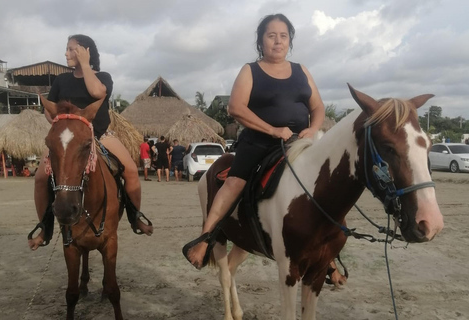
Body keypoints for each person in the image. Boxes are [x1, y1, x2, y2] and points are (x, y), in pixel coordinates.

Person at [182, 13, 325, 269]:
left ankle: (328, 247)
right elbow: (236, 108)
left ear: (289, 40)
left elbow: (318, 107)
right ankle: (204, 240)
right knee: (235, 182)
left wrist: (313, 129)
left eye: (283, 36)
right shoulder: (251, 70)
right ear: (261, 41)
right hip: (259, 143)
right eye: (272, 36)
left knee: (327, 181)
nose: (278, 41)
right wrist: (272, 129)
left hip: (300, 143)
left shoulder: (302, 70)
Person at [28, 34, 153, 251]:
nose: (66, 53)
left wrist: (85, 65)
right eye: (66, 49)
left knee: (131, 171)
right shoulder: (61, 81)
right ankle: (45, 228)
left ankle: (135, 217)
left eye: (71, 49)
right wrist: (58, 121)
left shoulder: (103, 77)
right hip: (69, 142)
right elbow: (50, 112)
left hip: (101, 136)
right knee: (40, 178)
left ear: (85, 51)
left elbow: (98, 93)